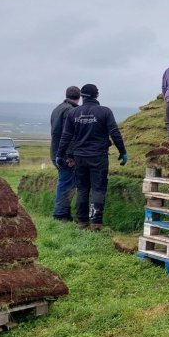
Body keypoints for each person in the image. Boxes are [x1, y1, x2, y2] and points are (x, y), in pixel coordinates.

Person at [55, 84, 127, 231]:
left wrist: (60, 154)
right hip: (98, 157)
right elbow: (114, 133)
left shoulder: (73, 113)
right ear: (96, 95)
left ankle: (81, 222)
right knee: (98, 189)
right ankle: (96, 223)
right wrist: (122, 151)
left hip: (79, 157)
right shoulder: (105, 112)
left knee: (82, 189)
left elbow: (66, 137)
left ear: (82, 96)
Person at [49, 86, 81, 221]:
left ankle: (64, 212)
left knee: (66, 182)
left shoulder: (57, 109)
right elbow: (70, 135)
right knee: (66, 183)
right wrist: (71, 156)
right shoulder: (71, 111)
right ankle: (60, 214)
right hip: (65, 155)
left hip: (55, 152)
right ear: (79, 97)